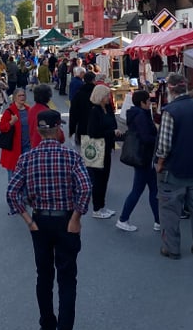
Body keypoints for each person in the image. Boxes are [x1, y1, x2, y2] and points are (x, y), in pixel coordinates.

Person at [6, 109, 93, 330]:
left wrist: (27, 220)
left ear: (38, 130)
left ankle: (47, 325)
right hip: (66, 220)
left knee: (43, 276)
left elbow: (12, 193)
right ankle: (65, 329)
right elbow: (85, 188)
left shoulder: (27, 158)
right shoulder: (72, 156)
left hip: (40, 222)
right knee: (67, 279)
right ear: (58, 129)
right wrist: (76, 217)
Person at [156, 72, 193, 260]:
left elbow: (164, 145)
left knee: (170, 210)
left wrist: (160, 163)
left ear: (170, 90)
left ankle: (172, 249)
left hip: (175, 170)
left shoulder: (170, 110)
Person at [115, 90, 161, 233]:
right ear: (142, 103)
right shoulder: (141, 116)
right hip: (143, 157)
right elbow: (146, 137)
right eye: (148, 101)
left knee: (151, 189)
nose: (150, 103)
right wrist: (158, 140)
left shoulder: (137, 113)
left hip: (143, 157)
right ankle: (123, 219)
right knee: (141, 190)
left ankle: (158, 221)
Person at [86, 84, 119, 219]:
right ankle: (97, 208)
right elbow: (93, 132)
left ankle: (102, 206)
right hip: (96, 147)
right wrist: (111, 132)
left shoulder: (108, 108)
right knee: (98, 180)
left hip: (106, 146)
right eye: (106, 95)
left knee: (104, 178)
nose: (108, 97)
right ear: (100, 96)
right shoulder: (95, 111)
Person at [0, 88, 31, 179]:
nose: (22, 97)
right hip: (13, 149)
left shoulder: (29, 110)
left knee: (27, 176)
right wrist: (11, 123)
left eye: (23, 95)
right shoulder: (9, 112)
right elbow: (1, 127)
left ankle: (25, 193)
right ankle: (13, 193)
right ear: (15, 98)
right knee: (13, 176)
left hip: (27, 147)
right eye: (19, 95)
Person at [68, 71, 96, 146]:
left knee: (87, 152)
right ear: (93, 80)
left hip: (82, 128)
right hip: (97, 129)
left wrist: (72, 130)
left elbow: (73, 113)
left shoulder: (78, 94)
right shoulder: (97, 94)